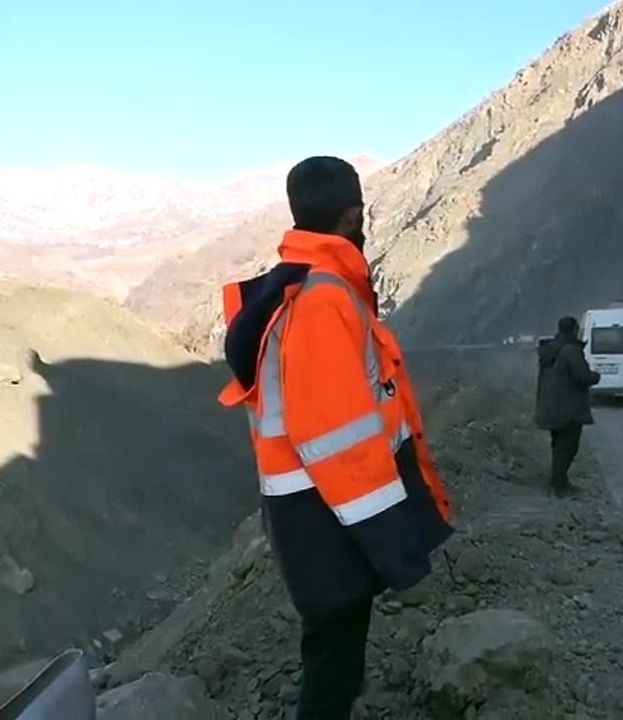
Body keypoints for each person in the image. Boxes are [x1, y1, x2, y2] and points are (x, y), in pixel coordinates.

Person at [215, 156, 453, 720]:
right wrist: (392, 542)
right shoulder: (325, 300)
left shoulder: (302, 286)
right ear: (353, 217)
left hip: (310, 513)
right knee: (333, 663)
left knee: (333, 650)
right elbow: (335, 439)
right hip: (327, 517)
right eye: (362, 215)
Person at [534, 316, 600, 497]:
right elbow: (582, 377)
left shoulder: (551, 349)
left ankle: (558, 482)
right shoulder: (571, 350)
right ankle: (558, 486)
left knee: (559, 446)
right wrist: (596, 376)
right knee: (568, 448)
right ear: (574, 329)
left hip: (551, 407)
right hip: (568, 410)